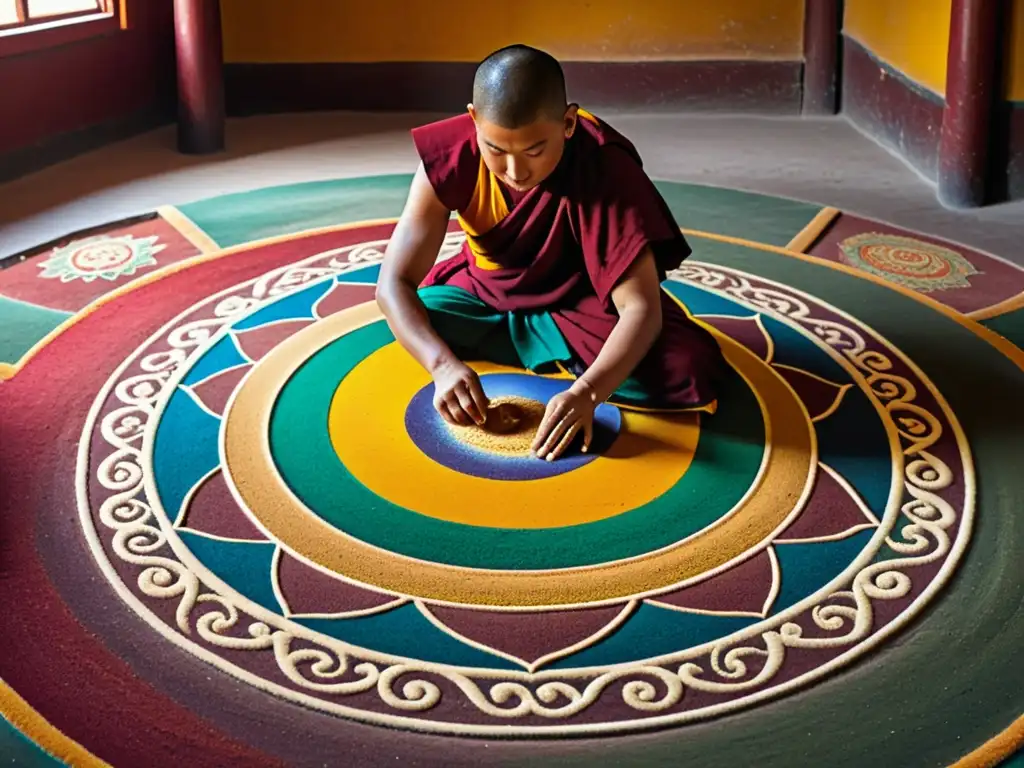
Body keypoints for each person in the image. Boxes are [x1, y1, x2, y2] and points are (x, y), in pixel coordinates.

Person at [376, 44, 725, 461]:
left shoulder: (603, 166)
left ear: (568, 122)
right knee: (420, 316)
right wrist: (442, 367)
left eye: (535, 151)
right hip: (488, 293)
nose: (515, 172)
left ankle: (544, 350)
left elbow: (640, 309)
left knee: (687, 370)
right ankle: (540, 346)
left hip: (580, 301)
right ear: (473, 120)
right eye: (496, 150)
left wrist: (587, 392)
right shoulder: (451, 155)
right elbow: (392, 283)